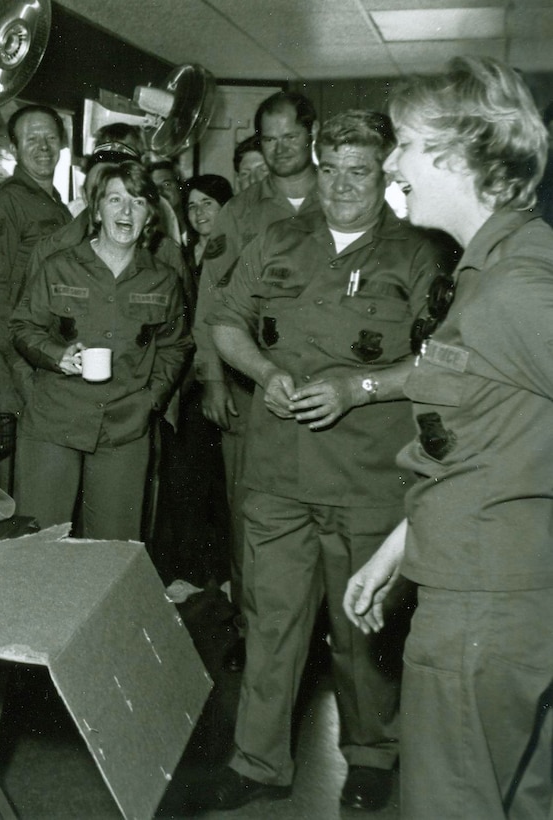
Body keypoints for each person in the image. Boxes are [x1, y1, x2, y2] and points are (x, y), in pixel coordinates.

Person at [200, 109, 454, 812]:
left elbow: (441, 362)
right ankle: (255, 762)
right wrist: (261, 370)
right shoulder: (274, 241)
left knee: (359, 629)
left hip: (368, 479)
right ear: (317, 164)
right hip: (278, 474)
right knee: (270, 622)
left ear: (384, 176)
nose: (342, 186)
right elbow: (223, 322)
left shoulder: (417, 255)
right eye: (332, 169)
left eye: (359, 172)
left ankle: (371, 753)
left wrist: (357, 386)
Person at [343, 57, 553, 820]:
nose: (390, 163)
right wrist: (397, 546)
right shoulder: (500, 267)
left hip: (481, 609)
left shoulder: (512, 291)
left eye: (401, 142)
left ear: (461, 151)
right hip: (508, 589)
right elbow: (493, 435)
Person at [192, 91, 323, 673]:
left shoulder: (342, 196)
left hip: (328, 389)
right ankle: (252, 626)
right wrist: (214, 379)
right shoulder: (240, 212)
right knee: (250, 512)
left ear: (311, 134)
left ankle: (320, 629)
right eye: (268, 139)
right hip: (252, 390)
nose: (280, 148)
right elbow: (211, 302)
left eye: (290, 136)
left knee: (324, 509)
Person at [9, 161, 193, 541]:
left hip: (124, 430)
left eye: (138, 202)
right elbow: (23, 326)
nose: (126, 211)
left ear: (149, 216)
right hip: (53, 423)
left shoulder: (164, 280)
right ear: (97, 211)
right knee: (39, 544)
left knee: (113, 549)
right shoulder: (58, 267)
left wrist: (151, 399)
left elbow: (176, 347)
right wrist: (54, 354)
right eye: (115, 199)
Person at [0, 105, 71, 490]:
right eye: (31, 138)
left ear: (62, 144)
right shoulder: (5, 202)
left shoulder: (57, 205)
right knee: (11, 463)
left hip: (47, 353)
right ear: (14, 148)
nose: (43, 146)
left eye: (49, 137)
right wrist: (19, 364)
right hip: (13, 357)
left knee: (42, 467)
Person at [149, 173, 235, 586]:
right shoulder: (183, 253)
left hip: (219, 375)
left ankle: (214, 570)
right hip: (186, 377)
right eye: (193, 206)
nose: (200, 213)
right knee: (185, 475)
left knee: (213, 476)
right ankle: (191, 569)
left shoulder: (235, 252)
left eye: (209, 205)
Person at [148, 157, 188, 244]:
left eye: (166, 184)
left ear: (180, 187)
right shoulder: (149, 239)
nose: (159, 191)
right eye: (154, 187)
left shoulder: (197, 227)